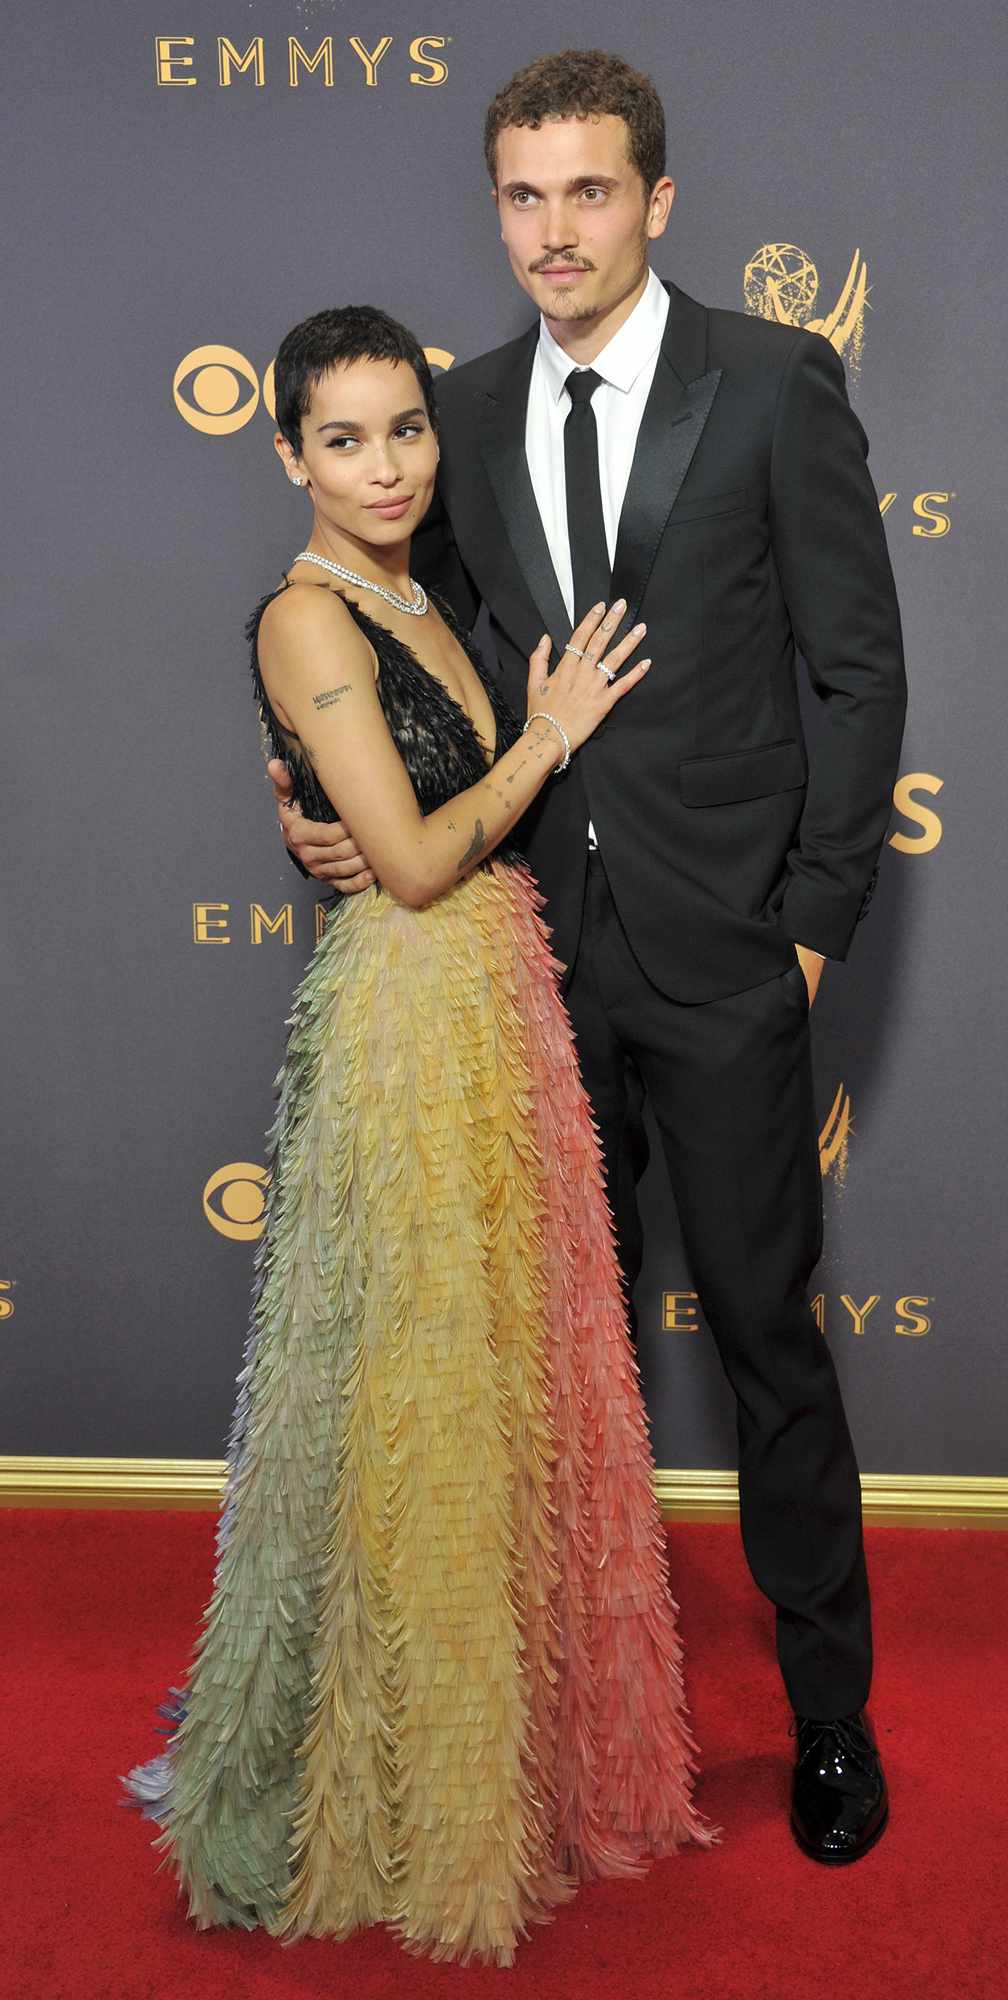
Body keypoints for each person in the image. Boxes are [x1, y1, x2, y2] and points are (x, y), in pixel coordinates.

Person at [275, 50, 908, 1866]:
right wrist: (322, 819)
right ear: (498, 210)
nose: (554, 232)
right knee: (557, 1358)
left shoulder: (778, 386)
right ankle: (566, 1722)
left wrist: (808, 931)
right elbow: (437, 675)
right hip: (524, 961)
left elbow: (855, 675)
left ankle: (829, 1720)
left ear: (657, 200)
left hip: (725, 962)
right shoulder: (456, 412)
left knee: (772, 1346)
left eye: (589, 193)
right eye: (523, 198)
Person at [121, 303, 718, 1966]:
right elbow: (409, 860)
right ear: (286, 451)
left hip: (494, 1012)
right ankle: (396, 1792)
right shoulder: (309, 618)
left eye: (405, 431)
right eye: (344, 439)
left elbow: (395, 821)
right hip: (409, 1020)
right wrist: (547, 734)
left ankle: (510, 1756)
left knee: (496, 1393)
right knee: (421, 1411)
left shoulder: (411, 587)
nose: (383, 466)